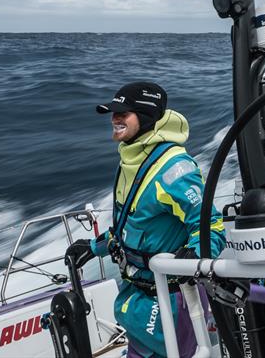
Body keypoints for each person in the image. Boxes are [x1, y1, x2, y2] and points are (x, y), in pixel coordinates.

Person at [65, 81, 225, 358]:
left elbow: (210, 225)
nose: (115, 119)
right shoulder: (133, 158)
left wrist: (195, 254)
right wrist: (93, 248)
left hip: (171, 299)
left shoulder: (174, 170)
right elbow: (135, 226)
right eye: (113, 112)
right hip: (138, 296)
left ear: (147, 116)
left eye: (123, 113)